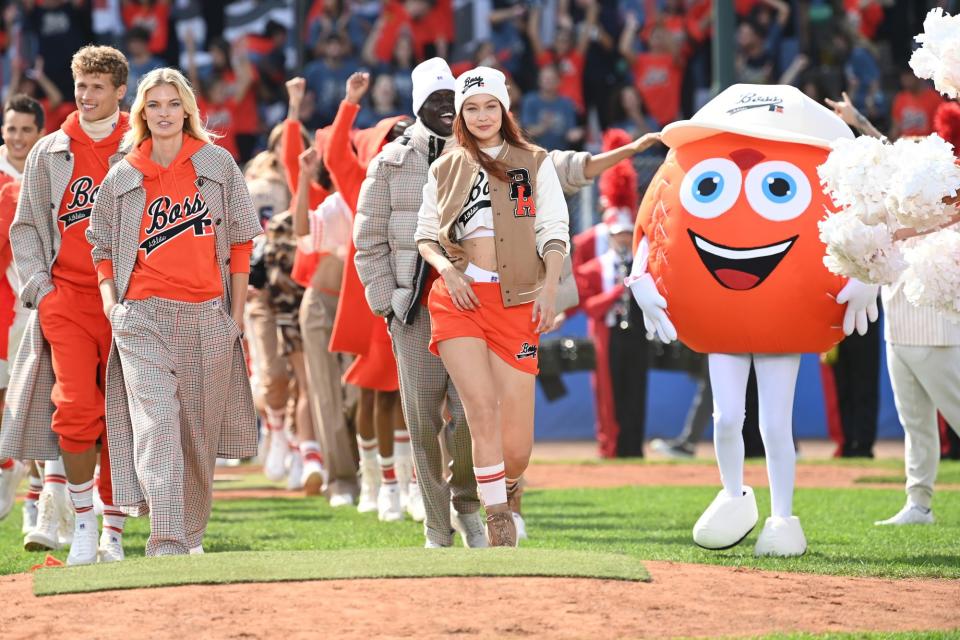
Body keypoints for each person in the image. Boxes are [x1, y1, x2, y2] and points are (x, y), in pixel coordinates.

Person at [87, 67, 261, 556]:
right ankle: (164, 540)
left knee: (197, 440)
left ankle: (190, 535)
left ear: (187, 109)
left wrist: (237, 314)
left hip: (208, 315)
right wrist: (112, 306)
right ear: (141, 113)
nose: (164, 113)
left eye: (172, 103)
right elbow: (99, 243)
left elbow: (242, 242)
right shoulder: (123, 173)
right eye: (154, 105)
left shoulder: (217, 164)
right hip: (142, 317)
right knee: (157, 425)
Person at [415, 66, 570, 546]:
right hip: (459, 298)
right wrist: (448, 270)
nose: (481, 116)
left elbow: (553, 231)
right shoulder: (445, 166)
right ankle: (496, 516)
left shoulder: (534, 161)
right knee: (479, 407)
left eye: (490, 106)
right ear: (460, 114)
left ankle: (507, 482)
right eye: (471, 108)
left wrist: (549, 288)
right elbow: (425, 236)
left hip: (517, 300)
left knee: (517, 443)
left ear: (504, 109)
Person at [0, 45, 131, 566]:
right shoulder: (49, 150)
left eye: (98, 86)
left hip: (129, 301)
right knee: (75, 409)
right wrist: (41, 289)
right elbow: (27, 228)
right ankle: (80, 525)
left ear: (121, 91)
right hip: (68, 301)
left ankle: (114, 532)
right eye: (80, 85)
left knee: (125, 417)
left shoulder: (141, 147)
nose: (86, 94)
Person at [354, 58, 485, 548]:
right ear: (418, 106)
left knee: (472, 413)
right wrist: (385, 302)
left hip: (471, 303)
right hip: (413, 310)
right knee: (422, 419)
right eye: (436, 100)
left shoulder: (482, 156)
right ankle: (436, 522)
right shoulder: (389, 161)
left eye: (453, 100)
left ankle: (468, 507)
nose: (447, 109)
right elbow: (367, 239)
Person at [825, 92, 960, 525]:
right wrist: (856, 119)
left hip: (936, 330)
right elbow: (884, 150)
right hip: (897, 325)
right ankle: (918, 503)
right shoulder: (891, 203)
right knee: (914, 423)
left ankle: (919, 502)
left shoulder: (948, 206)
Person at [0, 95, 45, 533]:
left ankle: (37, 496)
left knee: (42, 402)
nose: (17, 137)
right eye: (11, 129)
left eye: (25, 130)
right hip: (4, 311)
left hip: (40, 306)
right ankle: (10, 466)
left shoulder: (51, 169)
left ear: (39, 133)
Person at [572, 209, 649, 458]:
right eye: (619, 235)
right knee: (609, 392)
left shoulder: (641, 266)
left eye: (628, 234)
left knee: (636, 389)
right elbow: (590, 308)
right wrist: (617, 291)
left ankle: (634, 448)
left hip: (636, 335)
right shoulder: (594, 268)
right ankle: (611, 448)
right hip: (610, 334)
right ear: (610, 237)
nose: (624, 240)